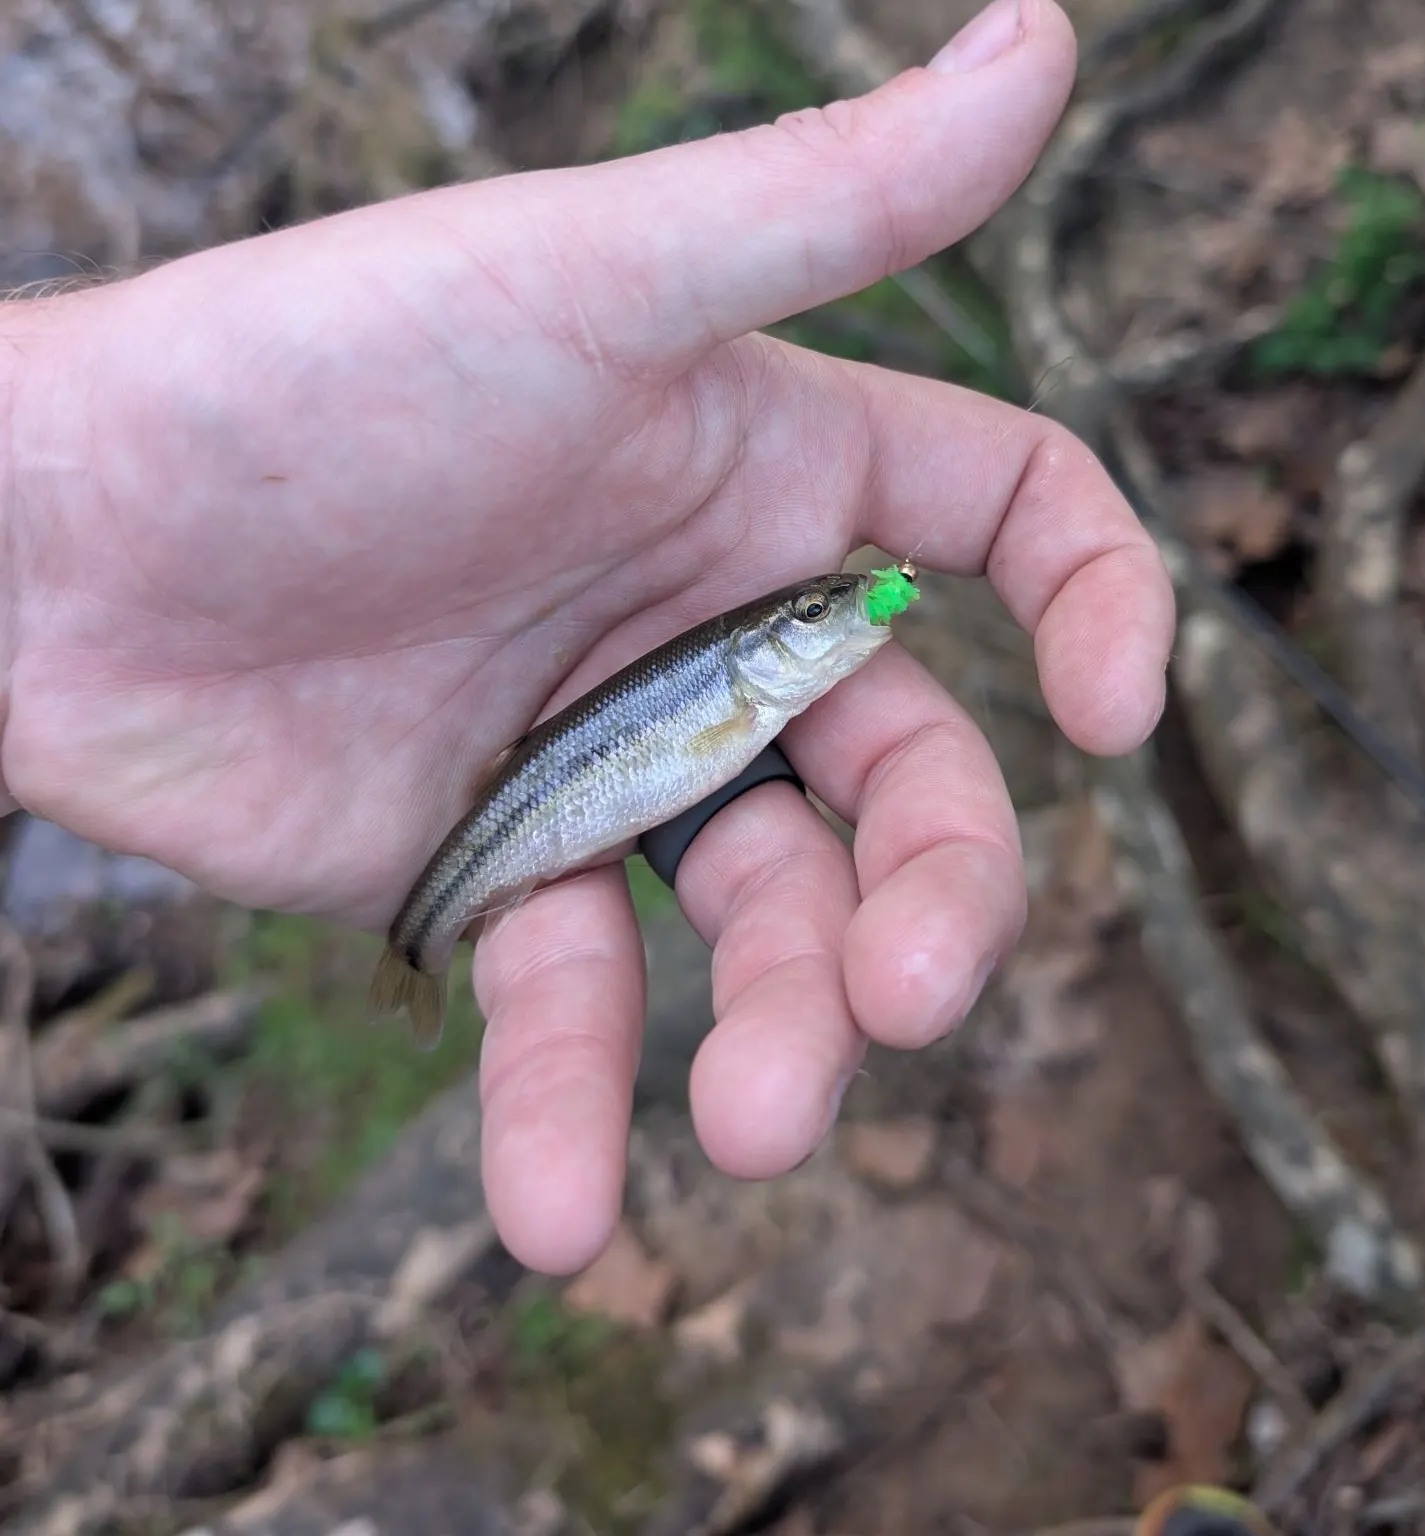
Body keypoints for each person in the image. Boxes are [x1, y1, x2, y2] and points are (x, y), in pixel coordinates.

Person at [0, 0, 1174, 1275]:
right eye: (819, 612)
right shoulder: (744, 685)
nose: (845, 616)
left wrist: (47, 535)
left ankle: (435, 928)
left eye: (837, 611)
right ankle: (427, 936)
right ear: (774, 642)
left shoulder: (768, 674)